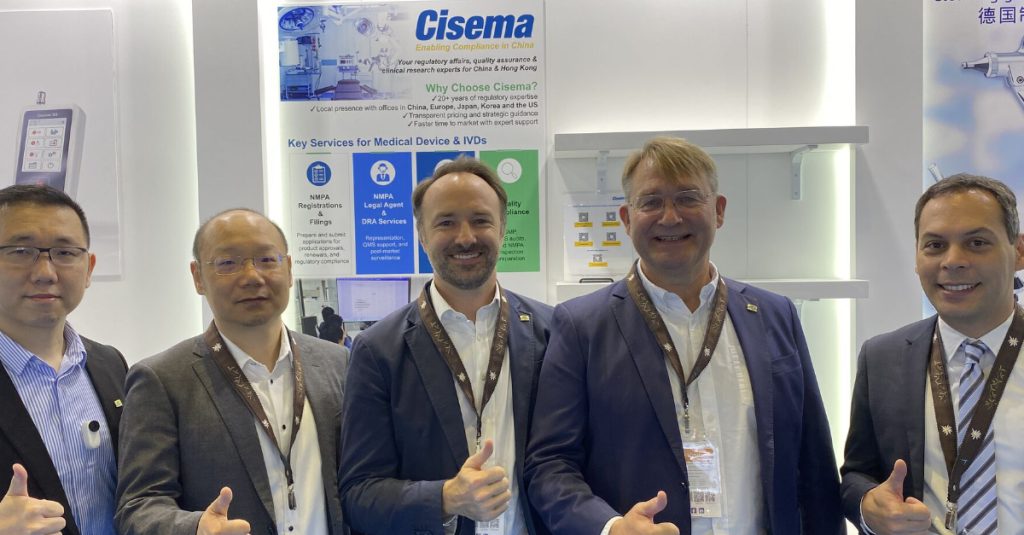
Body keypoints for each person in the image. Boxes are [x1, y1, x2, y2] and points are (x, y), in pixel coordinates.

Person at [524, 136, 843, 535]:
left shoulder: (775, 316)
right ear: (626, 218)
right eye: (651, 202)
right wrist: (610, 528)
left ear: (719, 210)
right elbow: (549, 467)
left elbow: (813, 463)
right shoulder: (581, 326)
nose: (670, 217)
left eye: (688, 198)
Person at [338, 157, 553, 535]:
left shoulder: (551, 332)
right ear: (421, 235)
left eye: (481, 220)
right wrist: (445, 497)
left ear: (502, 228)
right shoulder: (378, 351)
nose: (466, 237)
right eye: (446, 222)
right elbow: (359, 494)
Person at [115, 209, 349, 535]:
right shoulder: (162, 380)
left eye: (267, 260)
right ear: (198, 277)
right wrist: (195, 528)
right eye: (228, 263)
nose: (252, 276)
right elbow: (138, 506)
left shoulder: (338, 364)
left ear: (290, 268)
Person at [841, 173, 1024, 535]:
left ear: (1018, 251)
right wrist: (868, 507)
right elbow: (857, 474)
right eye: (935, 245)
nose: (953, 261)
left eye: (976, 242)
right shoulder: (882, 358)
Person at [0, 184, 127, 535]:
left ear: (89, 269)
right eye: (21, 251)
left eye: (65, 252)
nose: (45, 271)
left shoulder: (110, 365)